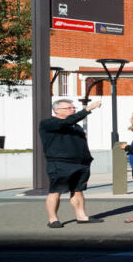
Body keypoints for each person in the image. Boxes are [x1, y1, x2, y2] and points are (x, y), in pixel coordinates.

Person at [38, 96, 98, 227]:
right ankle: (53, 219)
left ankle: (81, 216)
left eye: (73, 108)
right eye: (69, 108)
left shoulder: (75, 126)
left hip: (80, 163)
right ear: (57, 111)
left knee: (78, 190)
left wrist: (87, 159)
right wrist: (87, 109)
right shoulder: (48, 123)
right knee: (56, 190)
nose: (72, 110)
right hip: (60, 163)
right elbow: (65, 123)